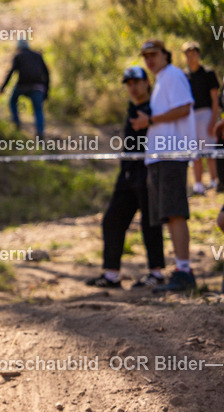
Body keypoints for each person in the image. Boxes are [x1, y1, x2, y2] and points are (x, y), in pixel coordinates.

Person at [86, 66, 166, 289]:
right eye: (128, 83)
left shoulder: (156, 108)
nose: (132, 87)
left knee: (151, 223)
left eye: (136, 82)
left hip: (148, 170)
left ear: (146, 82)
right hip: (128, 172)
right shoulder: (133, 107)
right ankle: (111, 275)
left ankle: (157, 274)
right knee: (112, 219)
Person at [131, 39, 199, 293]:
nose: (149, 60)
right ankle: (181, 268)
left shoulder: (173, 75)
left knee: (176, 213)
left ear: (165, 55)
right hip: (160, 157)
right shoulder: (161, 80)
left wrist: (151, 120)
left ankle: (185, 271)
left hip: (172, 154)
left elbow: (184, 107)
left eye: (154, 54)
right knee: (170, 215)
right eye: (145, 55)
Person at [182, 42, 220, 194]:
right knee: (194, 152)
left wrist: (213, 121)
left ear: (198, 54)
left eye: (193, 53)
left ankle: (214, 180)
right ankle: (198, 184)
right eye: (188, 54)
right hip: (190, 116)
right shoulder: (184, 76)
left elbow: (215, 99)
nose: (191, 57)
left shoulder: (208, 73)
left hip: (206, 114)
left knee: (209, 150)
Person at [0, 39, 50, 137]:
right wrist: (46, 91)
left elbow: (11, 73)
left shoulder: (19, 56)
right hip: (38, 87)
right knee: (38, 109)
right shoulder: (38, 56)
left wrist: (3, 87)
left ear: (18, 47)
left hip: (22, 86)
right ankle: (40, 132)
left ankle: (16, 122)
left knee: (13, 101)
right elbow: (47, 73)